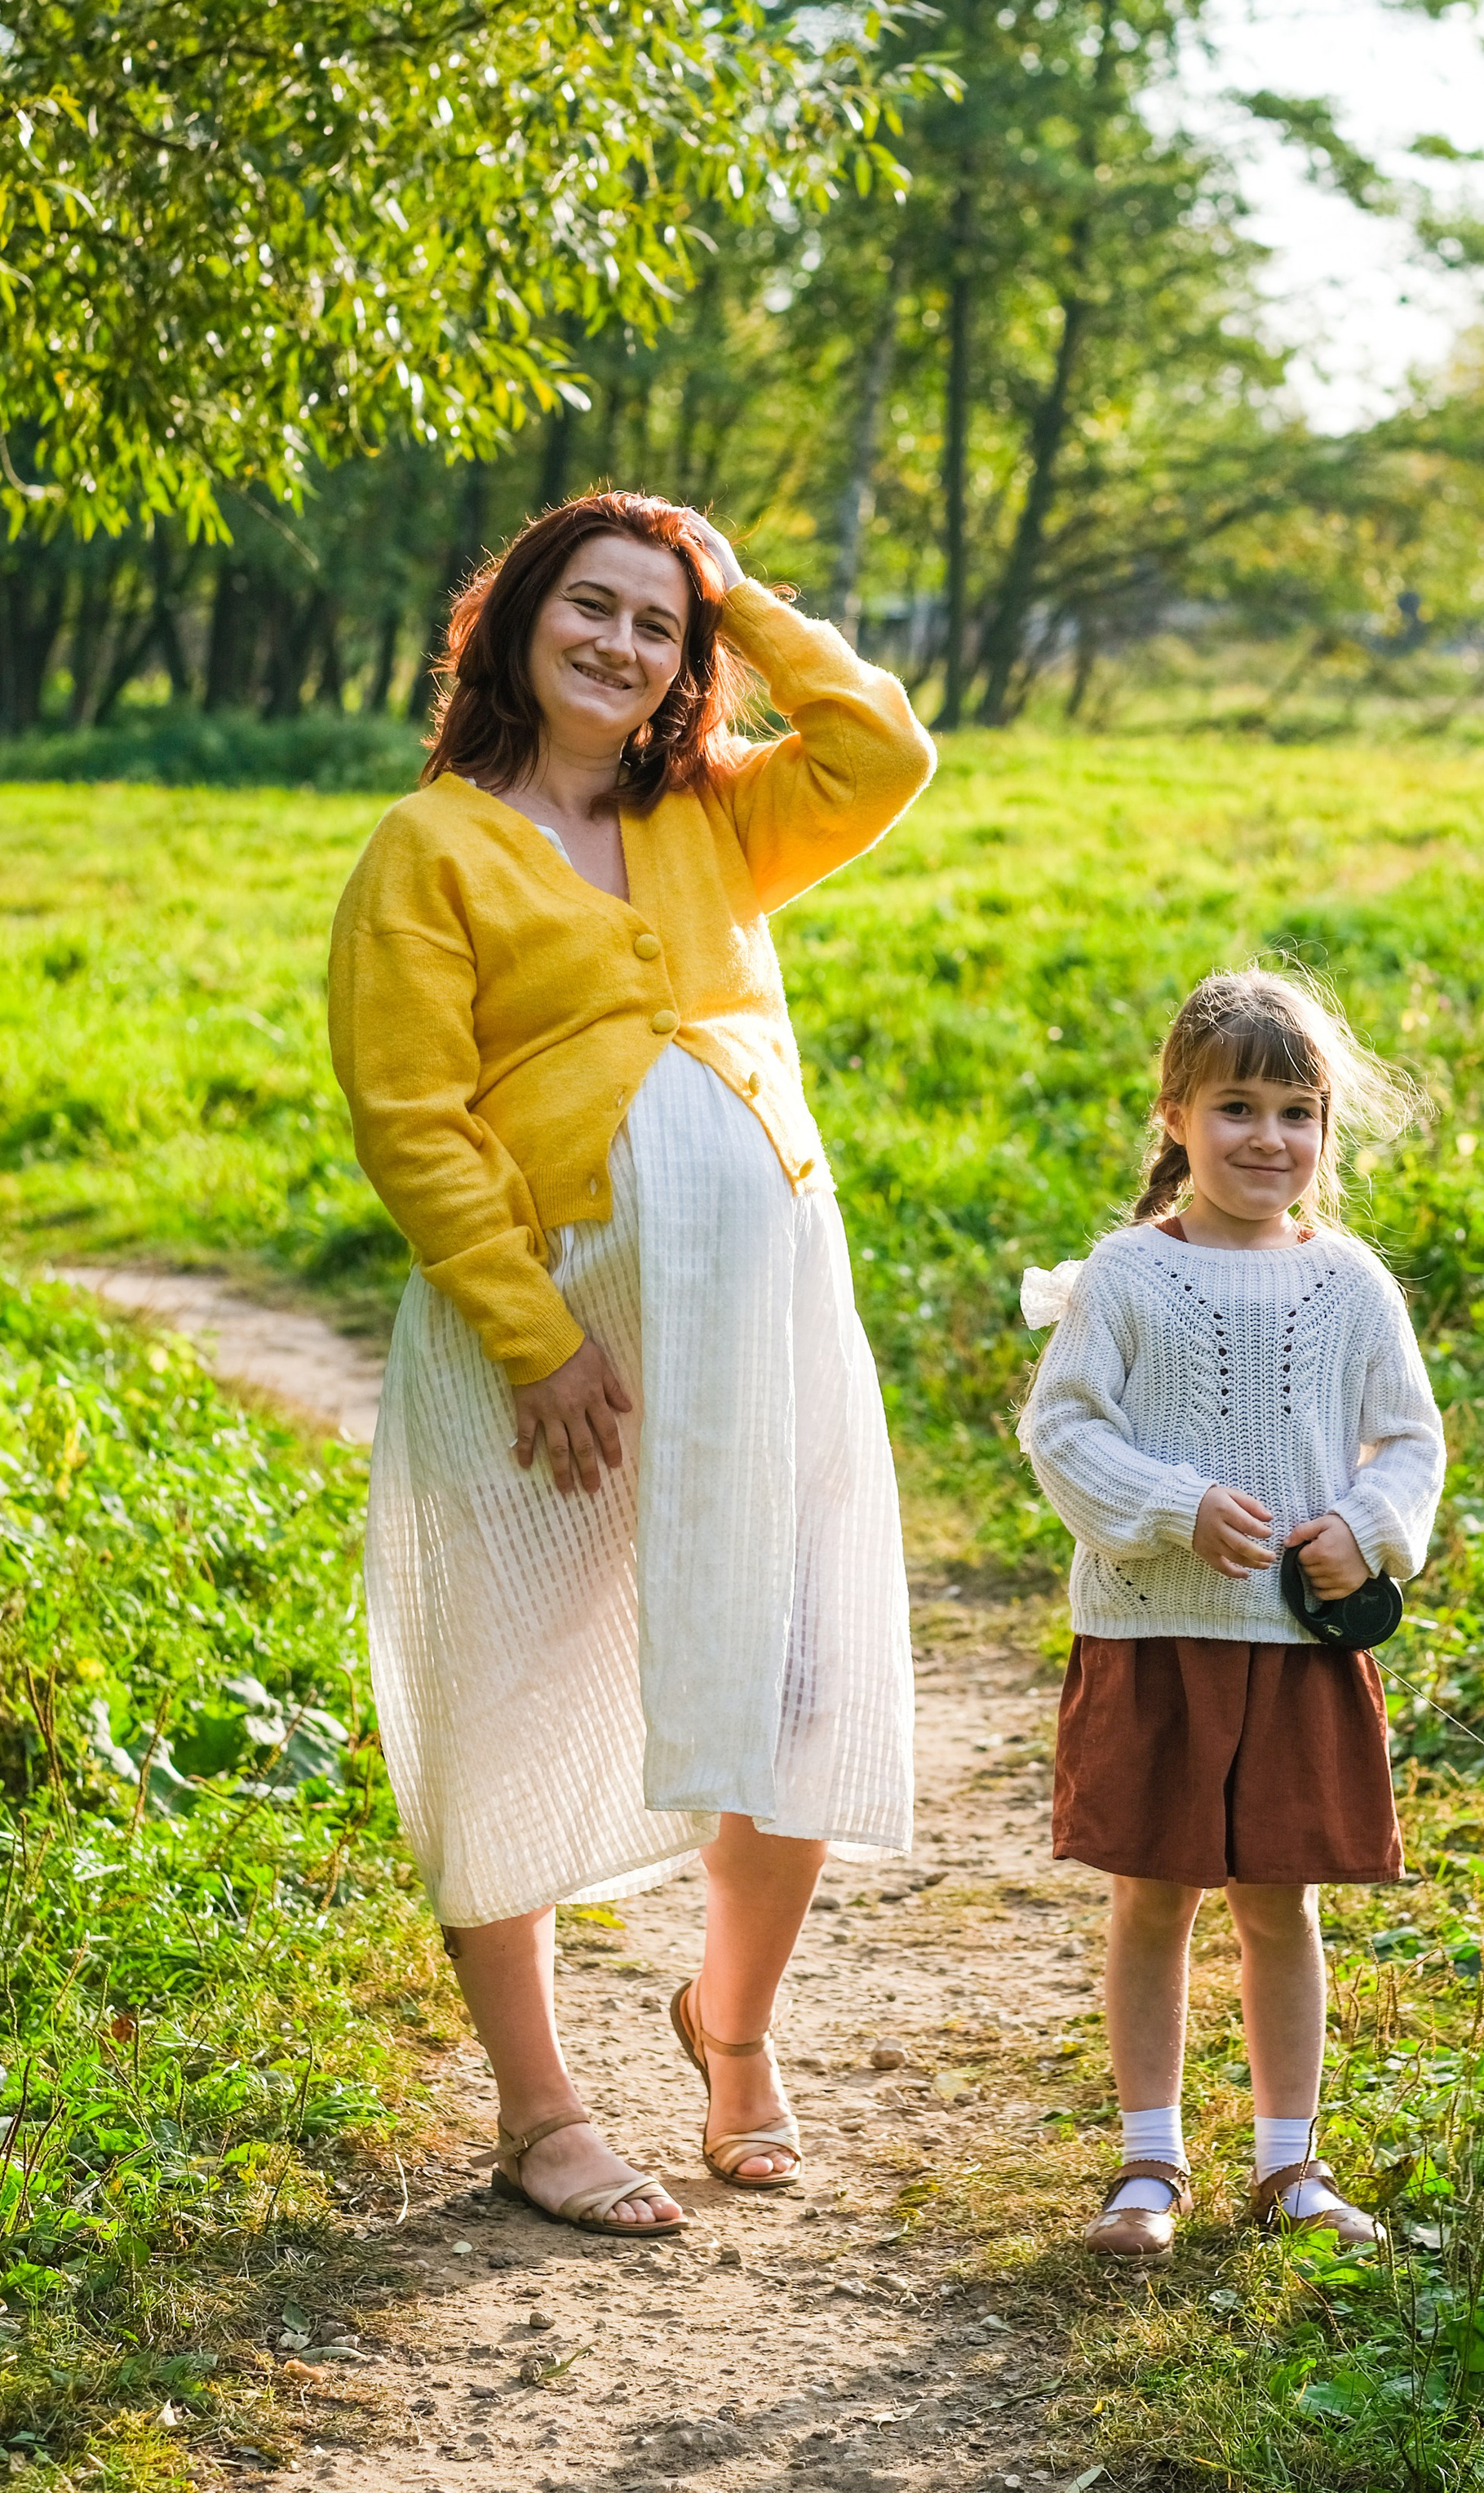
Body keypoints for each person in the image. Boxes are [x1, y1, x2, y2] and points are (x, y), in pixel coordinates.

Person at [329, 490, 933, 2236]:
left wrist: (737, 596)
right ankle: (537, 2109)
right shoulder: (427, 850)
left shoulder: (714, 814)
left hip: (764, 1324)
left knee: (799, 1674)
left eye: (654, 625)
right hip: (556, 1347)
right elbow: (413, 1119)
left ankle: (730, 2028)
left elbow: (883, 752)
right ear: (516, 622)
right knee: (510, 1685)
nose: (618, 644)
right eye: (588, 608)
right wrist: (533, 1341)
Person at [1018, 965, 1445, 2259]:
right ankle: (1149, 2164)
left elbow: (1410, 1440)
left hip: (1296, 1654)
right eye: (1239, 1108)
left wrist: (1364, 1532)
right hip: (1155, 1637)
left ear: (1325, 1131)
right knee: (1153, 1899)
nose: (1270, 1140)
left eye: (1298, 1113)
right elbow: (1061, 1430)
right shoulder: (1129, 1276)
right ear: (1175, 1116)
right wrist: (1175, 1506)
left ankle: (1289, 2165)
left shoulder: (1353, 1282)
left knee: (1281, 1904)